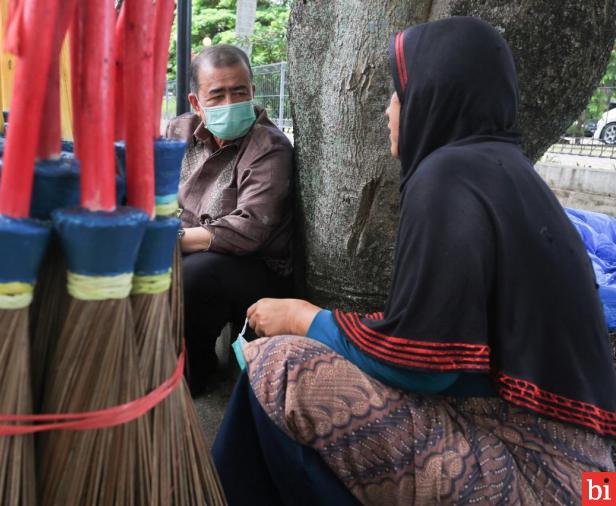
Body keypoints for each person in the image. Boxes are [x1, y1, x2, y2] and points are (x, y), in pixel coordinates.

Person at [212, 17, 616, 505]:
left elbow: (425, 364)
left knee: (281, 365)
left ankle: (216, 488)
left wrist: (304, 318)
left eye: (399, 92)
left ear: (436, 96)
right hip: (597, 484)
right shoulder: (510, 174)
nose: (388, 110)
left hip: (544, 475)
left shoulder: (448, 176)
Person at [166, 44, 294, 394]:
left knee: (194, 274)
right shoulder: (178, 134)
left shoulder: (269, 146)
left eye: (239, 92)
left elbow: (249, 228)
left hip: (254, 266)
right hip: (191, 247)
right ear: (196, 103)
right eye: (217, 94)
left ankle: (197, 369)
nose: (230, 103)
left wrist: (171, 239)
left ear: (253, 91)